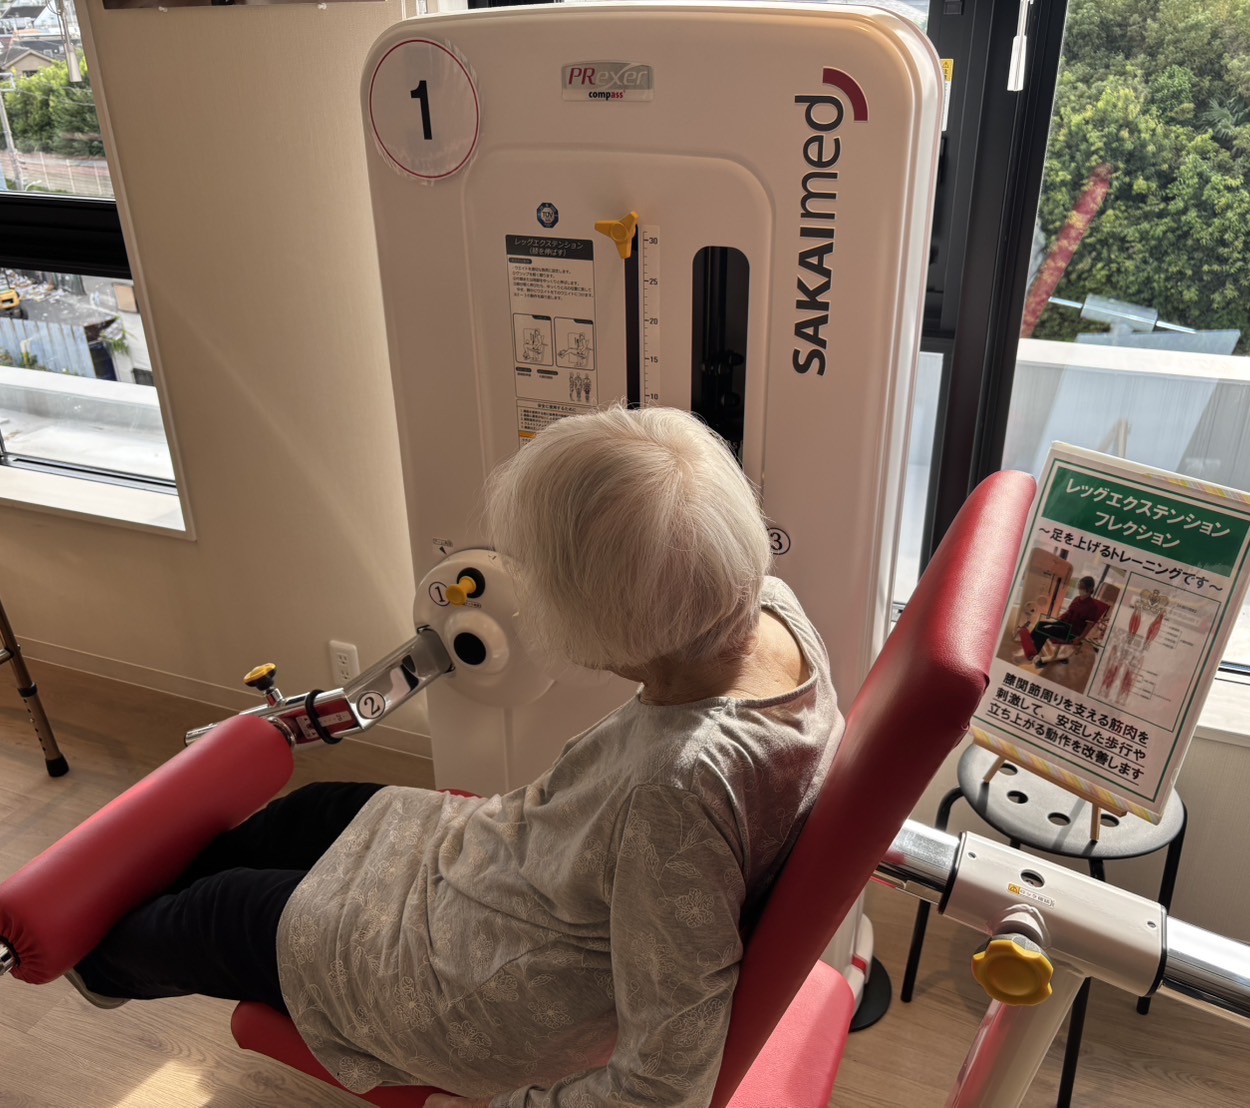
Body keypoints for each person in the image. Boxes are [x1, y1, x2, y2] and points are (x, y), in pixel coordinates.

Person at [72, 405, 844, 1107]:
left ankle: (95, 958)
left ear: (610, 611)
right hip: (512, 869)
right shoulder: (771, 610)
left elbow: (663, 1084)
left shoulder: (676, 788)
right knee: (308, 813)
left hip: (486, 995)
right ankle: (137, 906)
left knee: (223, 914)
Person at [1020, 575, 1107, 667]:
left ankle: (1034, 657)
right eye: (1079, 586)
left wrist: (1079, 638)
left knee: (1043, 631)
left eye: (1082, 587)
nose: (1079, 589)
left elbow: (1089, 626)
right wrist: (1060, 617)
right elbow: (1068, 612)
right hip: (1063, 624)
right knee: (1040, 624)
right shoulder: (1076, 599)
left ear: (1089, 589)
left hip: (1072, 631)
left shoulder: (1092, 607)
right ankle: (1031, 646)